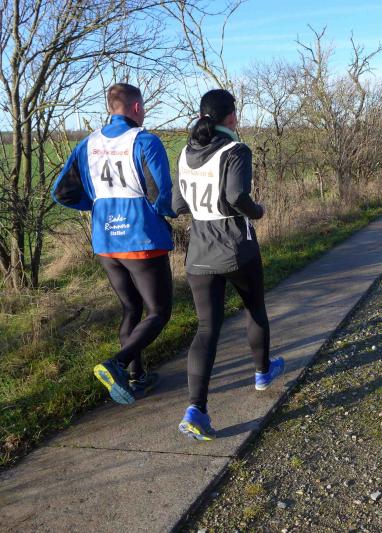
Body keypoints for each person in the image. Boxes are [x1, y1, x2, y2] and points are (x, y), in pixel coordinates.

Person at [52, 83, 175, 405]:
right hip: (141, 239)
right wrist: (170, 213)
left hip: (106, 240)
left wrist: (97, 205)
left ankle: (136, 378)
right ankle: (117, 364)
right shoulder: (145, 141)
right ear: (136, 108)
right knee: (159, 311)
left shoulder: (87, 144)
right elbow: (161, 194)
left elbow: (61, 192)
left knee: (131, 308)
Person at [173, 89, 285, 441]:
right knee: (254, 309)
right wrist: (258, 211)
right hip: (236, 247)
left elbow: (177, 205)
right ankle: (263, 373)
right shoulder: (236, 150)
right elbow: (237, 196)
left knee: (206, 329)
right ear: (232, 116)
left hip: (199, 252)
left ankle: (196, 410)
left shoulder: (185, 153)